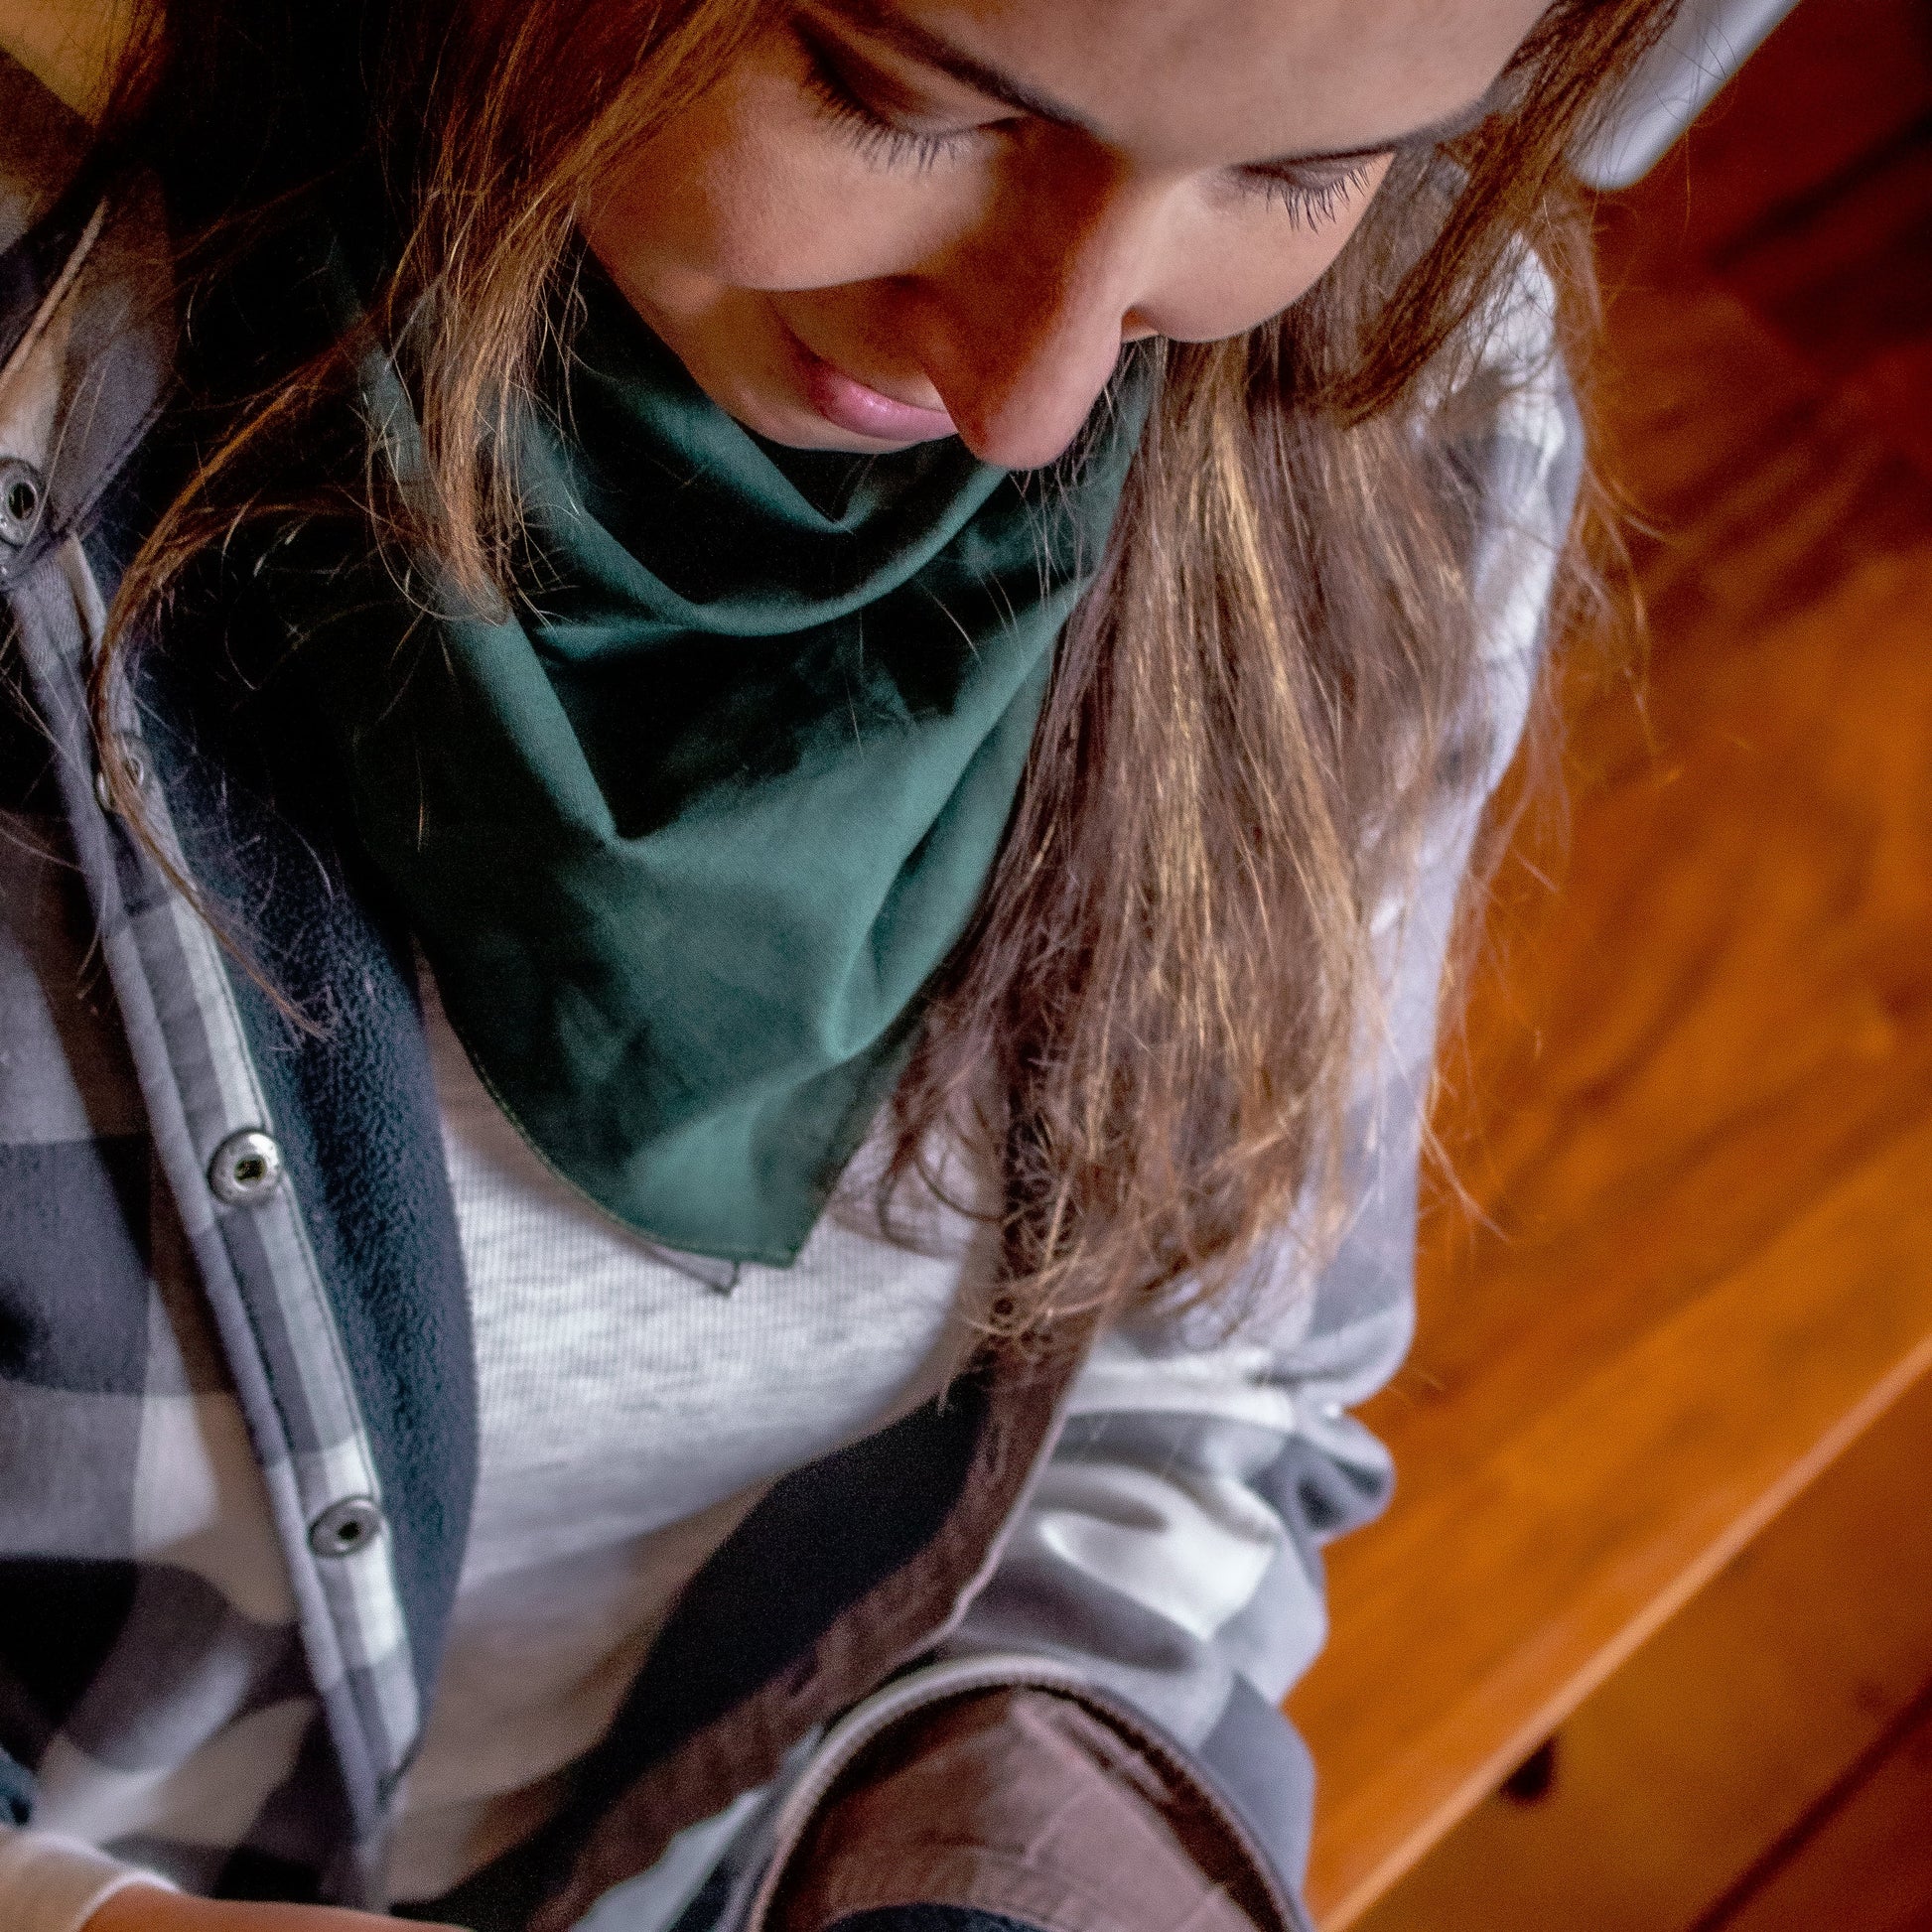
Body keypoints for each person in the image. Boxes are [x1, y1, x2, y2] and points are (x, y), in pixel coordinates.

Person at [0, 0, 1672, 1927]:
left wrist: (1013, 1873)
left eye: (1288, 173)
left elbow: (1206, 1393)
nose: (1036, 400)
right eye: (899, 101)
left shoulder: (1406, 391)